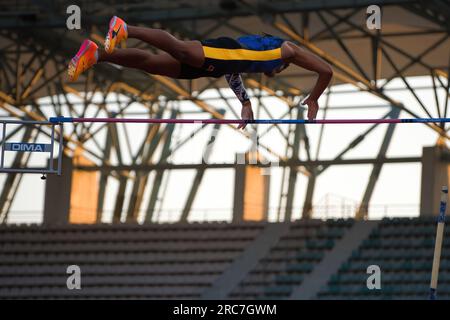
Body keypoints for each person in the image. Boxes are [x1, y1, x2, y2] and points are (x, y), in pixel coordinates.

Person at [68, 16, 333, 128]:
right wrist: (313, 98)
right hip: (224, 51)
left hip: (221, 63)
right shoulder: (286, 52)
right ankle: (126, 28)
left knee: (150, 64)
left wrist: (245, 102)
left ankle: (97, 55)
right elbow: (326, 71)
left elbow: (233, 70)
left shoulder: (255, 59)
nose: (274, 72)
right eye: (279, 69)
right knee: (181, 50)